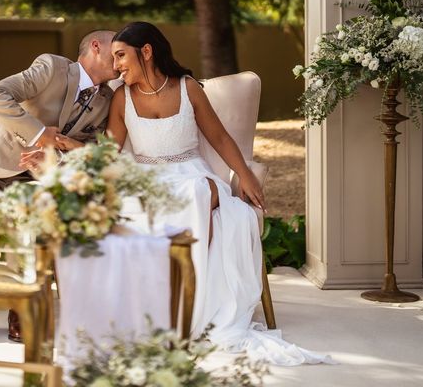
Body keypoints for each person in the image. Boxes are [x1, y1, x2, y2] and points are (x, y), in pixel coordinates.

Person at [106, 21, 334, 365]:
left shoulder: (187, 88)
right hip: (148, 179)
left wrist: (246, 176)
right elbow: (108, 152)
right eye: (114, 59)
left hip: (191, 174)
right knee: (144, 204)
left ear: (147, 51)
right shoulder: (121, 97)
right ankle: (164, 311)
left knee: (200, 191)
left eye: (121, 55)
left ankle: (192, 306)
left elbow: (221, 138)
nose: (116, 66)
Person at [0, 29, 118, 344]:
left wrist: (57, 151)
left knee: (33, 215)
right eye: (118, 49)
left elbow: (93, 147)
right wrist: (39, 133)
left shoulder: (108, 99)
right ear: (96, 47)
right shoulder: (52, 68)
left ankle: (20, 306)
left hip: (41, 180)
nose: (123, 57)